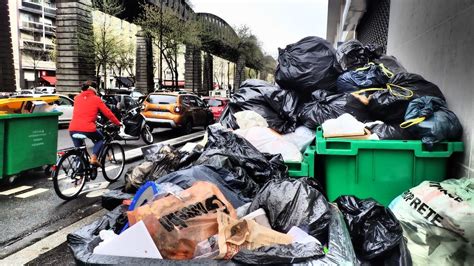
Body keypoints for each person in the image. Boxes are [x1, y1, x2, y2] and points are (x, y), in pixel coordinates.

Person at [68, 80, 121, 166]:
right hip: (88, 128)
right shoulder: (96, 99)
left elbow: (83, 111)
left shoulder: (77, 98)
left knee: (79, 151)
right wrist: (118, 123)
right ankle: (94, 158)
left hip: (73, 128)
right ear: (94, 89)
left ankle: (80, 173)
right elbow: (107, 113)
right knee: (101, 139)